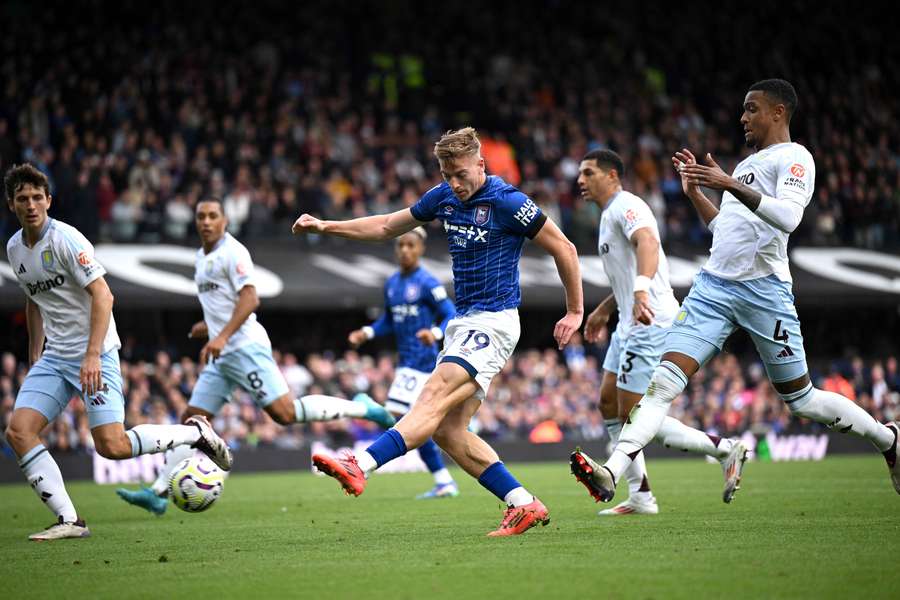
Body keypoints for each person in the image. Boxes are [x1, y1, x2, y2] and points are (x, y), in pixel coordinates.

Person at [576, 79, 899, 503]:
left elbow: (788, 218)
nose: (743, 117)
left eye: (751, 109)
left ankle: (887, 439)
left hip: (765, 292)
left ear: (778, 112)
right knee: (660, 386)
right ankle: (612, 473)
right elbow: (725, 232)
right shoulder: (746, 166)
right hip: (713, 289)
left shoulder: (795, 158)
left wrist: (727, 183)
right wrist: (697, 194)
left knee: (801, 400)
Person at [293, 127, 584, 536]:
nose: (454, 183)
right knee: (448, 431)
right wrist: (326, 226)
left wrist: (574, 310)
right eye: (447, 175)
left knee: (430, 395)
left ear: (481, 164)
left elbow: (564, 248)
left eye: (461, 174)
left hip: (493, 320)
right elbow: (384, 227)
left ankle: (360, 463)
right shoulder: (443, 197)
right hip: (465, 322)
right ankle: (523, 503)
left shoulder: (508, 201)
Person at [116, 198, 395, 515]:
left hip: (244, 347)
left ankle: (365, 407)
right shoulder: (200, 257)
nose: (206, 222)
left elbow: (250, 299)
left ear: (225, 221)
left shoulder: (233, 253)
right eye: (201, 217)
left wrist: (220, 335)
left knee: (285, 414)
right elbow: (223, 306)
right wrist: (207, 327)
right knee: (193, 422)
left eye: (213, 216)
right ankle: (158, 494)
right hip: (221, 355)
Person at [3, 164, 232, 541]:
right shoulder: (15, 248)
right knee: (18, 432)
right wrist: (34, 355)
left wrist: (92, 355)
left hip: (96, 353)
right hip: (55, 357)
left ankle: (194, 434)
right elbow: (33, 300)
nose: (31, 205)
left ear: (48, 200)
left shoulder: (66, 240)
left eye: (37, 197)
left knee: (113, 445)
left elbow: (104, 295)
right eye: (23, 199)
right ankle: (70, 520)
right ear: (12, 204)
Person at [569, 150, 748, 515]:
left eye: (588, 172)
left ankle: (723, 448)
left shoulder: (626, 206)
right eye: (579, 174)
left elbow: (648, 243)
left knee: (635, 413)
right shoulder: (607, 216)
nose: (580, 180)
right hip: (628, 320)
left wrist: (638, 292)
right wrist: (607, 308)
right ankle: (640, 495)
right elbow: (627, 269)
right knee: (609, 403)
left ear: (613, 176)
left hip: (650, 318)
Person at [347, 226, 460, 499]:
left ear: (420, 248)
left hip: (422, 362)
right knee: (413, 426)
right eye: (401, 246)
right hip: (406, 361)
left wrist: (433, 333)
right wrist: (369, 332)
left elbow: (451, 315)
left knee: (398, 418)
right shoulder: (392, 283)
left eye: (411, 245)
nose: (405, 250)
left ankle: (365, 444)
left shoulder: (428, 283)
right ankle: (444, 481)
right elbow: (389, 319)